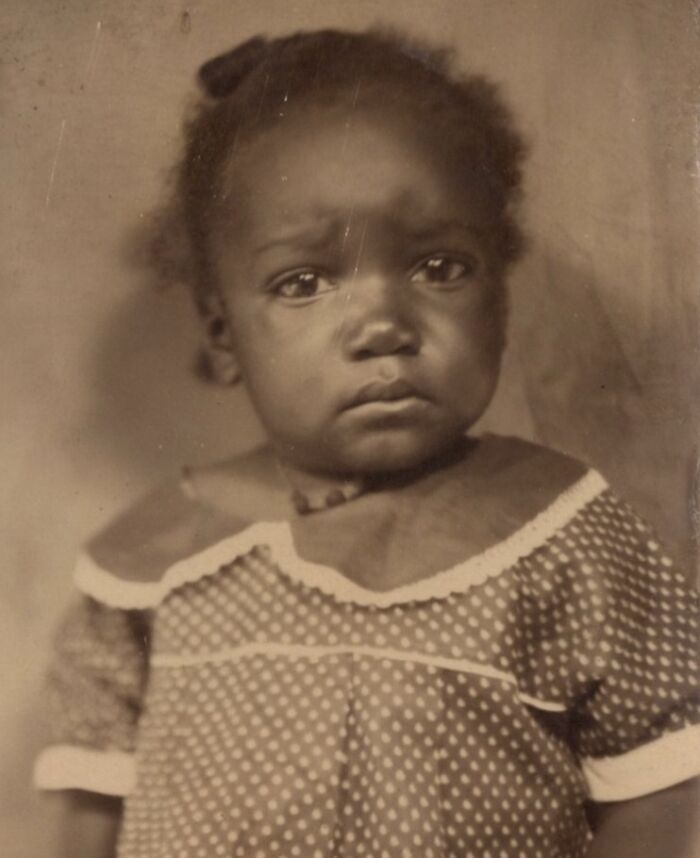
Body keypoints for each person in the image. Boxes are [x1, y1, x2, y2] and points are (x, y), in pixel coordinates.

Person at [35, 28, 699, 858]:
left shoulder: (562, 537)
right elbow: (83, 824)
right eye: (304, 282)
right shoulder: (152, 562)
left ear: (500, 296)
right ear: (223, 333)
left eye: (440, 268)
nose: (384, 325)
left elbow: (664, 794)